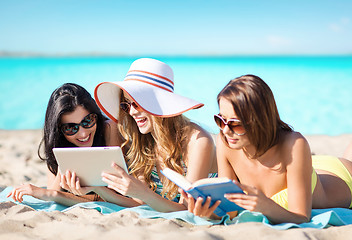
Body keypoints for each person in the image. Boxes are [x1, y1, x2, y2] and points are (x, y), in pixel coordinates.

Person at [182, 74, 352, 224]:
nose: (226, 130)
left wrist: (265, 206)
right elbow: (231, 211)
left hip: (341, 175)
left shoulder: (294, 143)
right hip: (306, 165)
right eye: (221, 120)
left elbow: (302, 217)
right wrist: (208, 213)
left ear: (259, 120)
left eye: (235, 123)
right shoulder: (226, 142)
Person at [93, 58, 217, 211]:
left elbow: (189, 209)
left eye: (136, 103)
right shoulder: (142, 140)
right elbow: (140, 204)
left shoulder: (197, 140)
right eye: (125, 105)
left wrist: (143, 193)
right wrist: (97, 189)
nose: (131, 112)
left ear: (158, 102)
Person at [8, 83, 123, 205]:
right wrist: (64, 161)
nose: (83, 133)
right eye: (70, 128)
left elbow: (114, 197)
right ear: (59, 130)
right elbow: (54, 193)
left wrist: (52, 194)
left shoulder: (109, 129)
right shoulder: (58, 143)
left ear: (96, 116)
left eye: (88, 121)